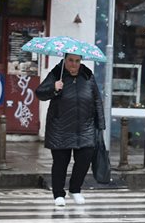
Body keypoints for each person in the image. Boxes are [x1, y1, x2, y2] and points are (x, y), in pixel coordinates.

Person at [36, 53, 105, 206]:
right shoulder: (56, 73)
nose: (74, 64)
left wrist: (101, 125)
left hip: (85, 127)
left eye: (77, 61)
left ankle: (75, 189)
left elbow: (97, 100)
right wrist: (54, 87)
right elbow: (40, 93)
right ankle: (58, 193)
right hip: (60, 127)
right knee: (61, 162)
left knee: (84, 159)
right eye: (71, 61)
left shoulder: (88, 76)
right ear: (65, 60)